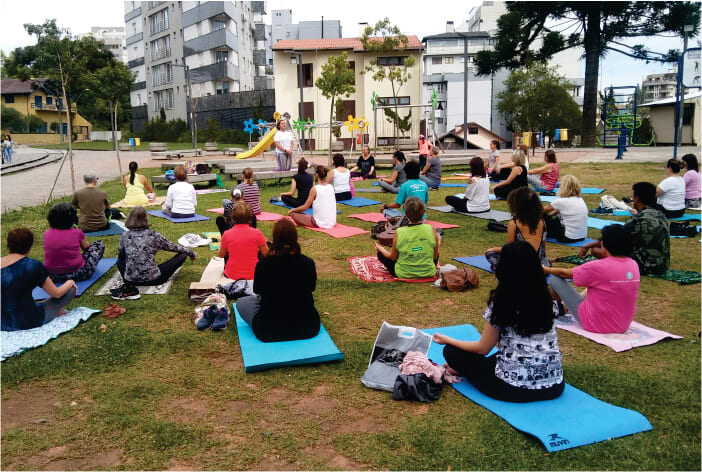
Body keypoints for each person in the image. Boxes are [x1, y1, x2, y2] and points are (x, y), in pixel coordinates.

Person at [432, 240, 564, 403]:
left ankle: (462, 366)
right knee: (498, 357)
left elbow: (482, 349)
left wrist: (447, 339)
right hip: (554, 385)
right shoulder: (547, 299)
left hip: (512, 389)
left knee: (452, 351)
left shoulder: (503, 302)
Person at [236, 219, 320, 342]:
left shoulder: (263, 265)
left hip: (269, 330)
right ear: (295, 237)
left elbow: (258, 290)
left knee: (243, 302)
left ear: (274, 239)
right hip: (308, 327)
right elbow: (311, 287)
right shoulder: (308, 263)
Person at [544, 225, 639, 334]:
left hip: (594, 324)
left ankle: (560, 307)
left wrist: (544, 268)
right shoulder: (633, 265)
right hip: (622, 325)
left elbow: (563, 273)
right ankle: (564, 307)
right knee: (599, 285)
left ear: (605, 244)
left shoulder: (597, 267)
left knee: (555, 279)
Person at [579, 182, 669, 275]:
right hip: (663, 264)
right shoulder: (661, 215)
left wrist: (588, 245)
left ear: (637, 198)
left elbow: (613, 237)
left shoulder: (639, 219)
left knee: (596, 251)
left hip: (646, 266)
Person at [112, 206, 197, 300]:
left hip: (130, 280)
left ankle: (133, 276)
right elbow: (174, 247)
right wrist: (191, 252)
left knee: (119, 260)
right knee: (182, 254)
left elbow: (121, 256)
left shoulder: (125, 235)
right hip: (154, 279)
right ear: (146, 218)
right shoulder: (153, 235)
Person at [2, 227, 77, 331]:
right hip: (28, 320)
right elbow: (56, 293)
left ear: (8, 244)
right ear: (29, 246)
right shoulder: (32, 265)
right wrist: (70, 282)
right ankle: (56, 309)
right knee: (70, 290)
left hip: (3, 321)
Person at [374, 197, 440, 279]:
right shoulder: (431, 228)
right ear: (424, 212)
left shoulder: (400, 232)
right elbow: (436, 255)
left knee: (380, 254)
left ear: (406, 214)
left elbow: (393, 257)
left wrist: (381, 249)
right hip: (429, 272)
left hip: (404, 273)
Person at [485, 187, 550, 269]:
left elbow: (510, 249)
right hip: (541, 266)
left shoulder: (514, 224)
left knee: (490, 253)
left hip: (521, 266)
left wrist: (493, 249)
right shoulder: (542, 222)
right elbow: (543, 248)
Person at [43, 203, 105, 283]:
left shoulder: (47, 233)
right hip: (77, 274)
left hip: (51, 276)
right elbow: (86, 247)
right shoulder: (77, 233)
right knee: (98, 245)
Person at [218, 202, 269, 283]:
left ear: (232, 218)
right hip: (253, 274)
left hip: (231, 274)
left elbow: (221, 255)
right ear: (250, 218)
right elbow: (267, 253)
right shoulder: (257, 233)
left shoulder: (226, 234)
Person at [542, 174, 588, 243]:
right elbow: (561, 211)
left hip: (566, 237)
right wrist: (550, 215)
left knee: (540, 215)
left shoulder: (561, 201)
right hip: (581, 236)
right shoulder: (580, 199)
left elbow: (540, 210)